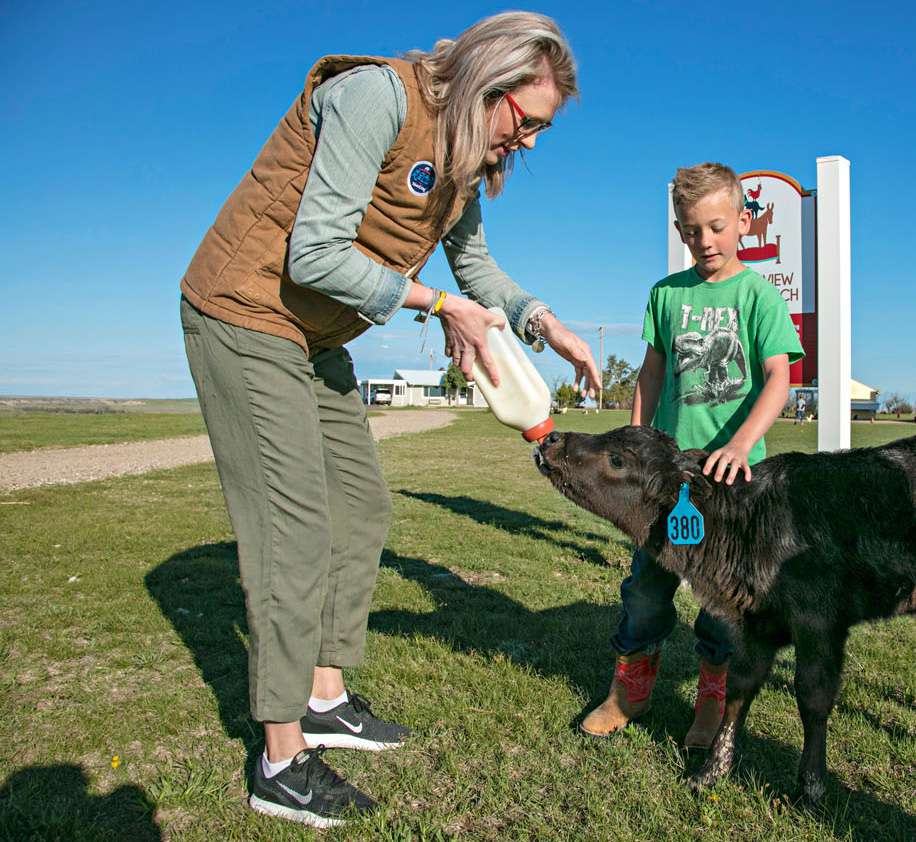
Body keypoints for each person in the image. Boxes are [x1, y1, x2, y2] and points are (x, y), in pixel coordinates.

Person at [178, 11, 600, 828]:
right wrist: (440, 306)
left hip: (317, 332)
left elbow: (473, 266)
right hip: (245, 310)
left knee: (363, 506)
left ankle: (326, 697)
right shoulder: (374, 97)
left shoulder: (465, 160)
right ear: (492, 83)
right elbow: (315, 254)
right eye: (530, 123)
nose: (532, 143)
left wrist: (547, 325)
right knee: (293, 528)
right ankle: (280, 756)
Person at [580, 163, 803, 749]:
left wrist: (736, 443)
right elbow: (652, 373)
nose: (704, 241)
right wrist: (632, 443)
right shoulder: (666, 294)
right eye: (690, 230)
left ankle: (712, 699)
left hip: (731, 482)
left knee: (723, 604)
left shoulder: (758, 296)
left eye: (716, 226)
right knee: (646, 588)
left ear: (742, 223)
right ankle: (630, 689)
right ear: (679, 230)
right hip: (667, 482)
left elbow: (780, 378)